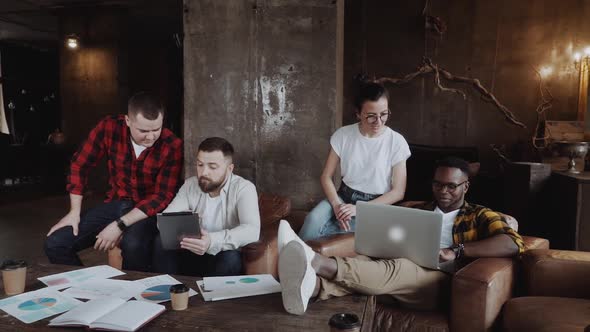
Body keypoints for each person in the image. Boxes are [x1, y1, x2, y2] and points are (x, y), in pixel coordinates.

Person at [277, 157, 525, 315]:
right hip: (395, 271)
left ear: (465, 186)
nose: (444, 191)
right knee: (366, 263)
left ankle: (314, 261)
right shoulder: (418, 211)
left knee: (400, 266)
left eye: (452, 186)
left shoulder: (480, 214)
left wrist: (457, 250)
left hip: (437, 282)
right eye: (438, 184)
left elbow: (512, 243)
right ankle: (309, 289)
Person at [45, 92, 183, 272]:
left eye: (156, 129)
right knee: (55, 243)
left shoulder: (172, 145)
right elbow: (80, 164)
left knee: (132, 244)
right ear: (127, 121)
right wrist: (74, 212)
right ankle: (88, 290)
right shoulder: (109, 127)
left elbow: (162, 196)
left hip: (147, 211)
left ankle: (132, 295)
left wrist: (120, 225)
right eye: (143, 131)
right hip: (117, 204)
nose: (150, 137)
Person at [298, 81, 410, 241]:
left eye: (384, 114)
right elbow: (326, 177)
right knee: (312, 220)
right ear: (358, 113)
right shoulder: (343, 135)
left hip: (376, 204)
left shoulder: (396, 142)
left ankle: (296, 249)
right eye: (371, 116)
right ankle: (293, 256)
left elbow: (398, 192)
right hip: (343, 196)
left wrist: (358, 209)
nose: (378, 122)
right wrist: (337, 205)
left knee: (333, 231)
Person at [153, 137, 260, 277]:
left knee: (230, 258)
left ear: (229, 169)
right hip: (190, 251)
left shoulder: (244, 188)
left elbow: (251, 230)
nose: (204, 172)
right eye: (200, 165)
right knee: (160, 242)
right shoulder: (190, 185)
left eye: (212, 167)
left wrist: (211, 241)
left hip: (221, 254)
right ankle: (167, 292)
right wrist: (184, 220)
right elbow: (165, 221)